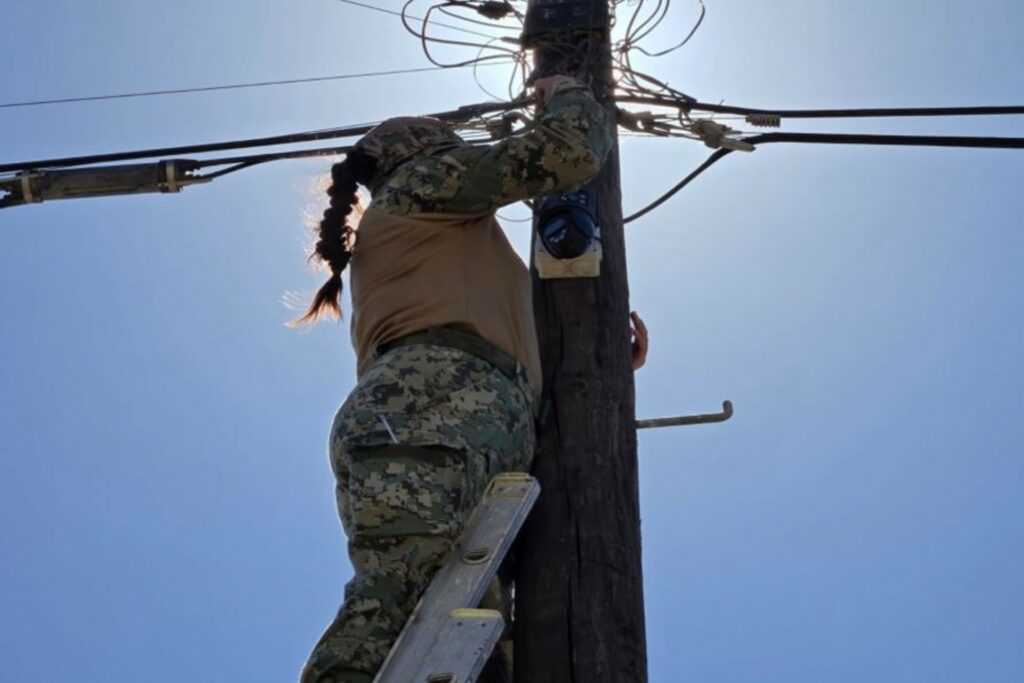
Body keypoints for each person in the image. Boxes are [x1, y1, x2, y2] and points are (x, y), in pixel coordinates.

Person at [295, 75, 613, 683]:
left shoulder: (444, 235)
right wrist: (571, 92)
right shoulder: (419, 188)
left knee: (471, 648)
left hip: (451, 417)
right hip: (431, 408)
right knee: (401, 607)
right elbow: (568, 151)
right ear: (424, 151)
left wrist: (602, 360)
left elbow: (497, 326)